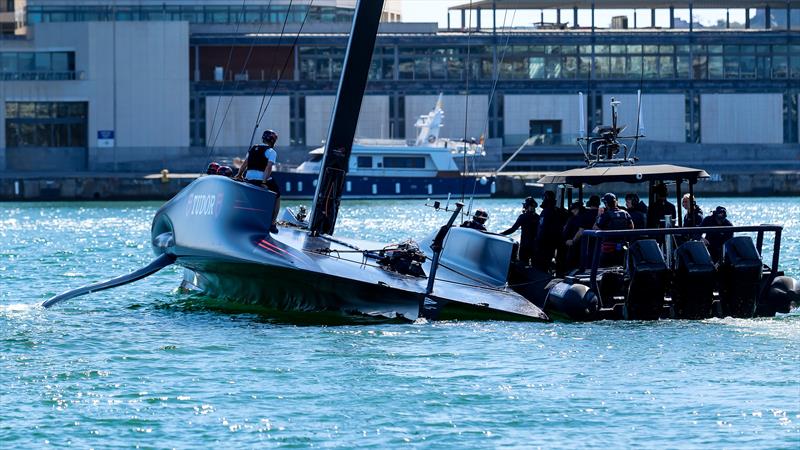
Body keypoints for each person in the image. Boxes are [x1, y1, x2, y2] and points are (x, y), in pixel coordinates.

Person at [235, 129, 281, 233]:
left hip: (249, 179)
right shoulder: (271, 152)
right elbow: (268, 168)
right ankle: (273, 224)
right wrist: (264, 182)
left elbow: (245, 164)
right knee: (277, 196)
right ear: (273, 141)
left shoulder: (252, 149)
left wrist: (239, 175)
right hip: (261, 180)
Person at [593, 193, 634, 267]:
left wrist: (599, 215)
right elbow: (631, 227)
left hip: (608, 248)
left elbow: (595, 228)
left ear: (606, 204)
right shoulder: (625, 213)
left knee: (604, 268)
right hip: (623, 247)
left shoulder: (605, 215)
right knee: (622, 266)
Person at [534, 190, 568, 272]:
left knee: (541, 264)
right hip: (555, 242)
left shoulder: (546, 212)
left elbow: (542, 229)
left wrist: (537, 241)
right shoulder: (559, 211)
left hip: (545, 243)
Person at [501, 197, 539, 266]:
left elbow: (513, 229)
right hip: (536, 247)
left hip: (525, 246)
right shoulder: (538, 217)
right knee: (535, 267)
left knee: (523, 265)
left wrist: (501, 234)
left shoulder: (523, 217)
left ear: (526, 206)